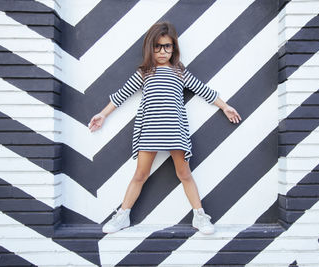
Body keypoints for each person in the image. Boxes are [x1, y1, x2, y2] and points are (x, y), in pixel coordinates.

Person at [88, 21, 241, 235]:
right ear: (150, 48)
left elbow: (203, 90)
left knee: (184, 173)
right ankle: (123, 215)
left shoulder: (179, 72)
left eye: (167, 46)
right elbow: (122, 95)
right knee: (140, 174)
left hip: (175, 132)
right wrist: (103, 114)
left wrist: (224, 107)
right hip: (150, 131)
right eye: (157, 46)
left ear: (173, 48)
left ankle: (199, 215)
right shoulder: (145, 73)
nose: (162, 51)